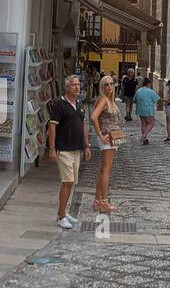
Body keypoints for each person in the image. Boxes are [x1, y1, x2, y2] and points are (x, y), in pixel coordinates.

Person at [47, 75, 92, 230]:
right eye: (73, 85)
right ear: (67, 87)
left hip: (76, 149)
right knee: (66, 182)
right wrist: (52, 149)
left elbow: (83, 126)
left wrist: (86, 146)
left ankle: (64, 212)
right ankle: (61, 216)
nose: (77, 87)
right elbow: (52, 127)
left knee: (72, 182)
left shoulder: (79, 104)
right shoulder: (59, 104)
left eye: (78, 84)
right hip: (64, 149)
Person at [90, 76, 123, 213]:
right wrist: (99, 134)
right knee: (106, 171)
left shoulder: (110, 100)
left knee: (103, 170)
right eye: (106, 85)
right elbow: (93, 117)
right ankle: (104, 201)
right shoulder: (103, 99)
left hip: (114, 136)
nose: (109, 87)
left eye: (111, 84)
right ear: (102, 87)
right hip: (108, 137)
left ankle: (98, 200)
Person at [134, 76, 159, 144]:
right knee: (151, 123)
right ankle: (144, 136)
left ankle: (144, 139)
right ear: (148, 84)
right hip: (148, 110)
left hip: (140, 109)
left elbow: (135, 100)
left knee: (143, 123)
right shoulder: (150, 91)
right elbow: (156, 99)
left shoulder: (138, 91)